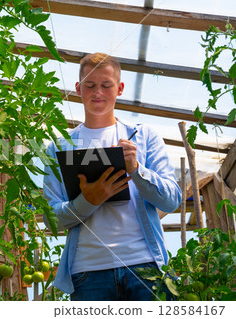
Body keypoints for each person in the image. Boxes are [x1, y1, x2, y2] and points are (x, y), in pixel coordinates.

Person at [42, 53, 181, 301]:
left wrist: (137, 170)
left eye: (106, 85)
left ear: (119, 89)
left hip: (145, 267)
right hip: (87, 272)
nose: (98, 92)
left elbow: (171, 200)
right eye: (90, 85)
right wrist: (88, 200)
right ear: (78, 89)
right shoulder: (59, 147)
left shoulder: (144, 136)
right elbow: (52, 219)